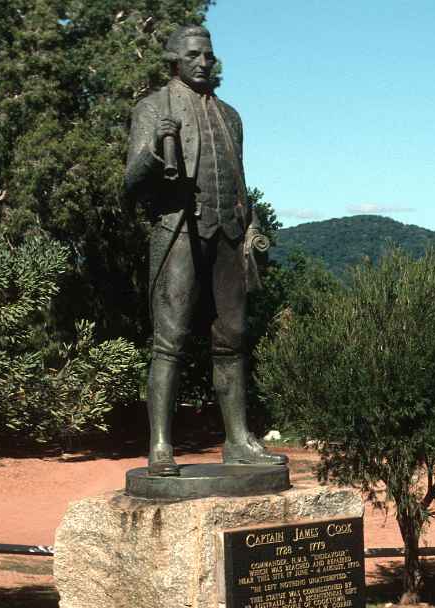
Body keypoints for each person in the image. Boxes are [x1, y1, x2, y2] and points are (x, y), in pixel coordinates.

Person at [125, 25, 287, 477]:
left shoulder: (231, 116)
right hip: (178, 230)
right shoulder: (152, 107)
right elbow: (131, 182)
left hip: (229, 236)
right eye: (195, 54)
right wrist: (155, 148)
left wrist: (252, 230)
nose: (204, 62)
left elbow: (240, 181)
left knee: (232, 340)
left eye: (209, 55)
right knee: (170, 340)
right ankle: (160, 445)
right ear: (175, 59)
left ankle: (237, 441)